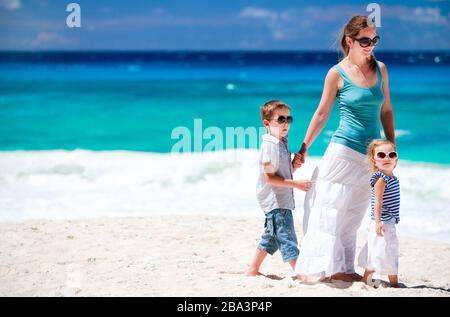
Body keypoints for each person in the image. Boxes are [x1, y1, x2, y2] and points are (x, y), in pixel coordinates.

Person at [292, 15, 396, 282]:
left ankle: (343, 269)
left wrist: (391, 146)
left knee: (353, 213)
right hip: (343, 151)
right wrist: (304, 147)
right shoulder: (336, 73)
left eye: (374, 39)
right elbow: (321, 114)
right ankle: (319, 268)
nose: (370, 44)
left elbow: (386, 110)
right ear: (349, 40)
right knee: (329, 210)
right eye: (365, 40)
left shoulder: (381, 69)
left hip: (370, 155)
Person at [246, 100, 311, 276]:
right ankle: (300, 272)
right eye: (280, 119)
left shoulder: (281, 142)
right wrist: (296, 184)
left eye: (288, 119)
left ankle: (252, 270)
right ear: (267, 123)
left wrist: (294, 166)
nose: (286, 123)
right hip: (275, 200)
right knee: (287, 237)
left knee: (271, 237)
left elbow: (280, 171)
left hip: (281, 199)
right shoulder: (269, 146)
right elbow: (269, 177)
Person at [358, 139, 400, 288]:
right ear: (374, 160)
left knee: (389, 251)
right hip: (381, 223)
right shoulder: (381, 179)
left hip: (389, 222)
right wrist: (377, 222)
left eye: (391, 154)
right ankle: (368, 281)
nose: (387, 158)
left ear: (396, 158)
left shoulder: (393, 178)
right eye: (381, 155)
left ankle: (394, 284)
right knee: (378, 253)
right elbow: (377, 202)